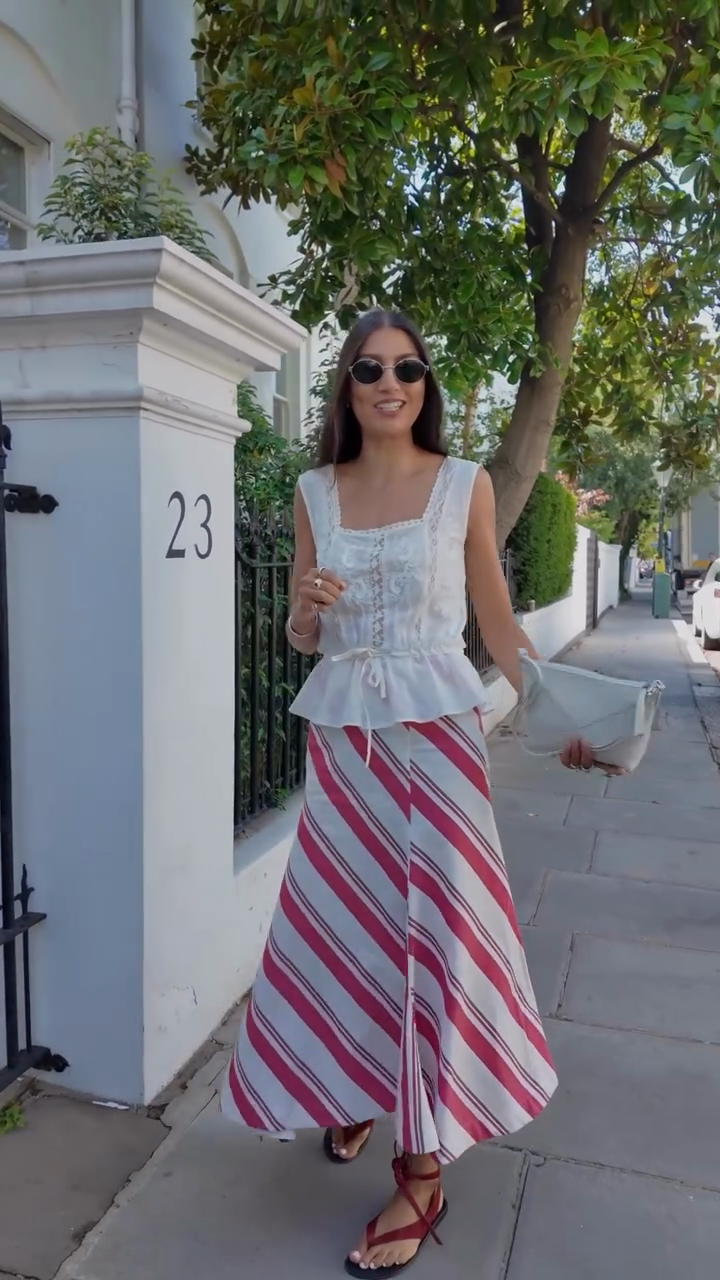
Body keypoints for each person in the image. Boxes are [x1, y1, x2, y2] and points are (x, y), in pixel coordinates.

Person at [222, 310, 617, 1276]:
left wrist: (572, 720)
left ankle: (423, 1165)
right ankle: (356, 1082)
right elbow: (301, 638)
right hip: (348, 752)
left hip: (437, 745)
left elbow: (499, 623)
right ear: (347, 388)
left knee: (435, 933)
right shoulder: (318, 488)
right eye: (368, 368)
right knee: (348, 928)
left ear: (424, 383)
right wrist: (305, 613)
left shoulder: (464, 487)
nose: (389, 382)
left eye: (406, 367)